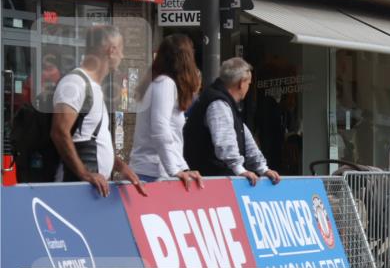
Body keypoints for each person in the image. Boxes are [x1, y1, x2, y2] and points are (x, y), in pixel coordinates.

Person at [50, 25, 145, 197]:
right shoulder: (75, 83)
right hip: (75, 188)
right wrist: (84, 174)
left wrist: (119, 166)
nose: (122, 57)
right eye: (122, 50)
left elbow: (89, 134)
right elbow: (59, 132)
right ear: (112, 50)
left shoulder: (93, 87)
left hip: (90, 188)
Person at [182, 57, 281, 185]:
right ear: (241, 83)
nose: (248, 87)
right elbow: (224, 142)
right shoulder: (218, 103)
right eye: (249, 83)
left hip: (213, 179)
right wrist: (239, 170)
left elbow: (246, 138)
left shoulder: (227, 104)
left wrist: (262, 168)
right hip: (210, 181)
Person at [129, 34, 204, 188]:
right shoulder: (165, 84)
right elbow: (160, 128)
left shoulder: (158, 82)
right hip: (154, 172)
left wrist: (182, 167)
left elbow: (171, 136)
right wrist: (175, 169)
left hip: (155, 170)